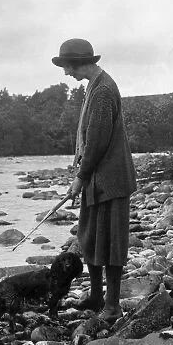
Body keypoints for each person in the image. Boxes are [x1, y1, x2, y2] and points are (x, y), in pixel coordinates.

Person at [51, 38, 137, 323]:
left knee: (111, 244)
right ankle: (97, 296)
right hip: (97, 181)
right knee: (91, 238)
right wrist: (84, 177)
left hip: (110, 181)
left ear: (78, 62)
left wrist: (80, 177)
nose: (66, 73)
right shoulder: (94, 86)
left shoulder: (102, 91)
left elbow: (97, 143)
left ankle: (112, 305)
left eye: (67, 66)